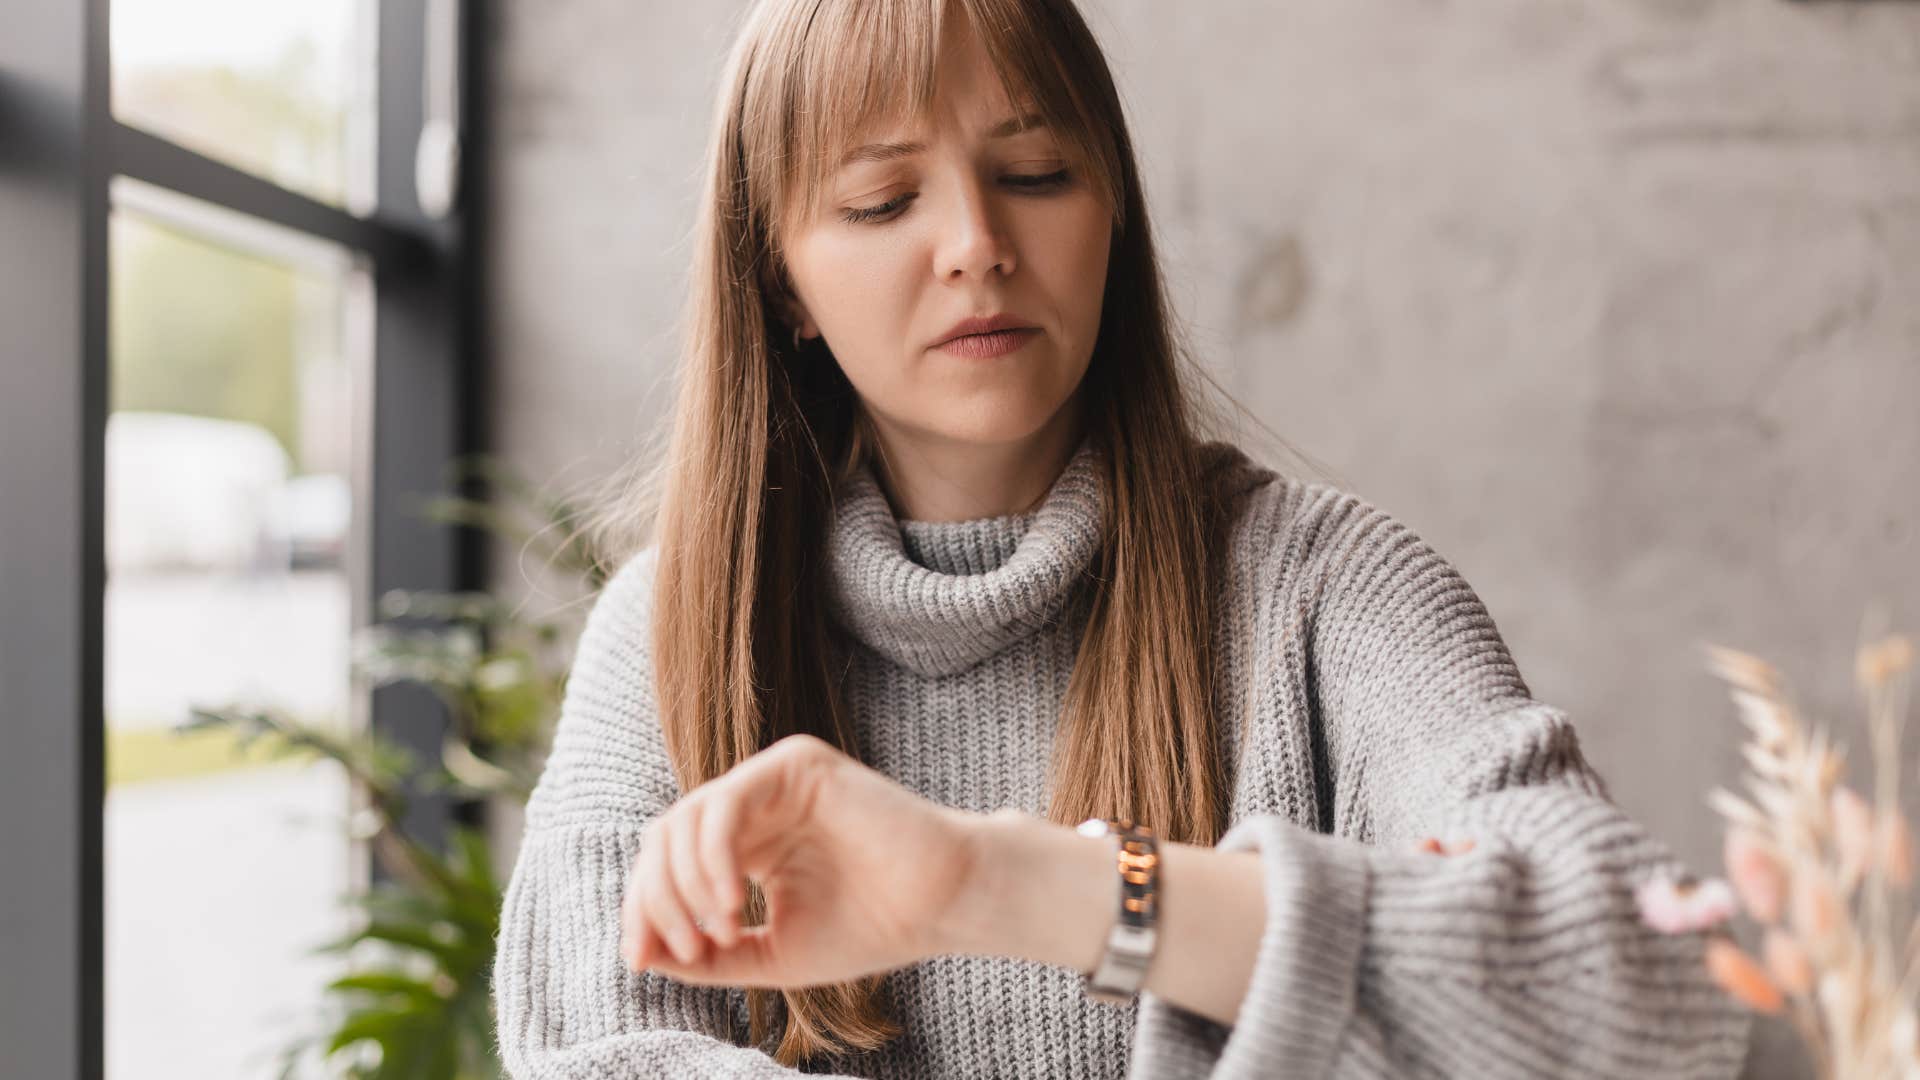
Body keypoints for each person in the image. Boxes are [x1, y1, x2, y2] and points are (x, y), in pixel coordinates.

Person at [491, 0, 1752, 1076]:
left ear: (1113, 215)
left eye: (1036, 174)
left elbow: (1650, 993)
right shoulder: (673, 634)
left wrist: (1004, 887)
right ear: (779, 284)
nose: (978, 247)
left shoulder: (1328, 591)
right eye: (882, 201)